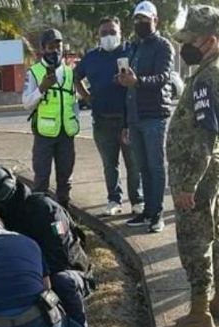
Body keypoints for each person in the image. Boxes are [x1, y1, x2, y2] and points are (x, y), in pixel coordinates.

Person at [161, 5, 219, 327]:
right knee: (214, 234)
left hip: (201, 174)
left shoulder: (210, 76)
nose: (185, 45)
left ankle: (199, 313)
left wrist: (188, 183)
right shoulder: (213, 66)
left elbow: (205, 133)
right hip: (213, 168)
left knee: (195, 243)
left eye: (191, 39)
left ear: (209, 39)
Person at [0, 166, 94, 327]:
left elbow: (61, 258)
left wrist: (27, 276)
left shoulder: (47, 211)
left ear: (1, 202)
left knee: (62, 281)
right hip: (31, 275)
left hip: (69, 273)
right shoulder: (5, 219)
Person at [75, 16, 143, 217]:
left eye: (112, 32)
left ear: (120, 33)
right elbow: (75, 77)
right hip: (102, 120)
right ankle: (114, 199)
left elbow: (140, 78)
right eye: (104, 33)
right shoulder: (91, 57)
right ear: (98, 36)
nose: (108, 36)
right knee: (109, 165)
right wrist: (86, 96)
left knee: (133, 163)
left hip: (128, 120)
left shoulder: (131, 51)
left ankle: (137, 200)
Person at [118, 0, 174, 233]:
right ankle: (147, 211)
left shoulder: (163, 46)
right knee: (142, 167)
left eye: (145, 19)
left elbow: (163, 77)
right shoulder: (134, 47)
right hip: (135, 115)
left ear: (155, 21)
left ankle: (157, 213)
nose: (141, 23)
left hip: (154, 115)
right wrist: (123, 80)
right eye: (137, 19)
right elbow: (130, 83)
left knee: (155, 166)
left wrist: (137, 81)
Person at [23, 28, 80, 209]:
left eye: (58, 45)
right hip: (44, 134)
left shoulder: (70, 73)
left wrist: (74, 121)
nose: (55, 50)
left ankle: (64, 210)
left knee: (65, 177)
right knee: (41, 179)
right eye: (50, 46)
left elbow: (74, 102)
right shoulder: (34, 72)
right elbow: (26, 103)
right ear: (43, 49)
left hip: (66, 133)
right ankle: (40, 213)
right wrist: (41, 88)